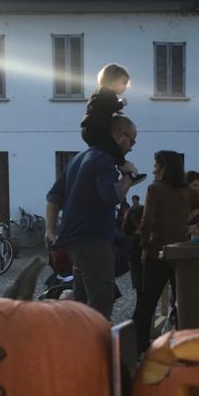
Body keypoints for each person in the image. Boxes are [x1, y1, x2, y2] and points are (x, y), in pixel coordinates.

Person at [45, 114, 138, 319]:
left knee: (82, 301)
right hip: (94, 241)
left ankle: (77, 338)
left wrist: (50, 230)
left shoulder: (79, 158)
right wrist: (129, 176)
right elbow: (111, 196)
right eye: (132, 141)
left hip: (75, 243)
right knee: (100, 306)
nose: (132, 147)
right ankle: (95, 339)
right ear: (120, 136)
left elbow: (54, 196)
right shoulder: (104, 160)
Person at [133, 151, 199, 351]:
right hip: (180, 255)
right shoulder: (187, 192)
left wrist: (143, 245)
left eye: (156, 165)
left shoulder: (154, 189)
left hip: (156, 253)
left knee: (146, 304)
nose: (153, 169)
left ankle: (141, 348)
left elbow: (147, 222)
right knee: (182, 304)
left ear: (163, 167)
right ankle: (184, 345)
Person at [80, 63, 146, 187]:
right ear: (112, 80)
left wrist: (114, 110)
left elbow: (100, 108)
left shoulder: (99, 93)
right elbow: (107, 106)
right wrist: (121, 104)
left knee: (107, 151)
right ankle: (127, 172)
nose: (125, 87)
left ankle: (123, 169)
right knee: (113, 148)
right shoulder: (108, 93)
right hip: (96, 129)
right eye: (123, 83)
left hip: (88, 129)